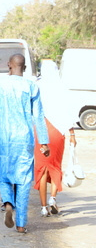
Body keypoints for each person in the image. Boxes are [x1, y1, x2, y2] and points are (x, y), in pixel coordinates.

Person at [0, 53, 50, 234]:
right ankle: (21, 225)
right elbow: (38, 115)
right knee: (23, 180)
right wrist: (44, 142)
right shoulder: (31, 86)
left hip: (6, 137)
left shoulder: (0, 83)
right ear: (25, 67)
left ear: (9, 65)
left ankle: (8, 202)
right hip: (25, 138)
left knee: (4, 173)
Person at [34, 73, 79, 217]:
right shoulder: (61, 90)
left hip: (40, 132)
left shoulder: (37, 88)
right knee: (55, 167)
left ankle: (43, 207)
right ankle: (52, 198)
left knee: (42, 170)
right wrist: (72, 135)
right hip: (58, 132)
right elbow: (68, 115)